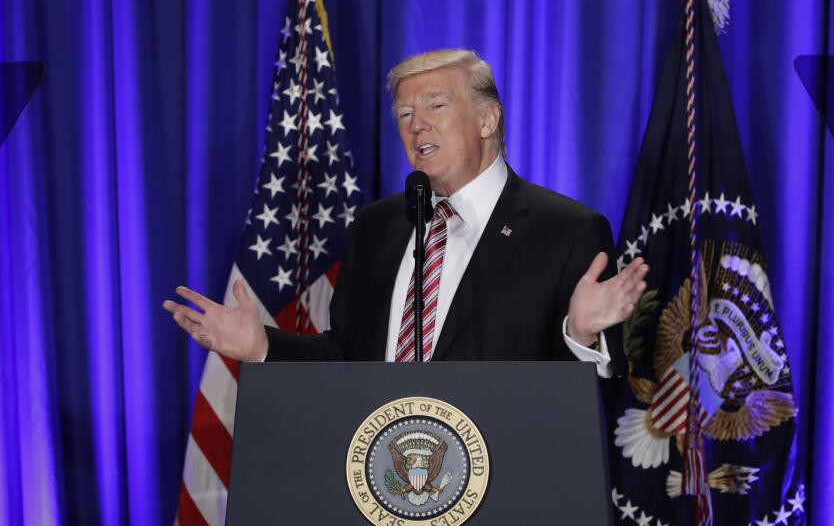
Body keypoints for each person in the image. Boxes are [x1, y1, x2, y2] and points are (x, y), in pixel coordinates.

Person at [163, 49, 647, 374]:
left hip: (504, 493)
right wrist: (265, 346)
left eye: (436, 106)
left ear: (487, 119)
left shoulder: (565, 231)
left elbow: (588, 390)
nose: (417, 126)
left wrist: (580, 334)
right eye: (404, 114)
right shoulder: (378, 225)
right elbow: (347, 356)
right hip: (386, 487)